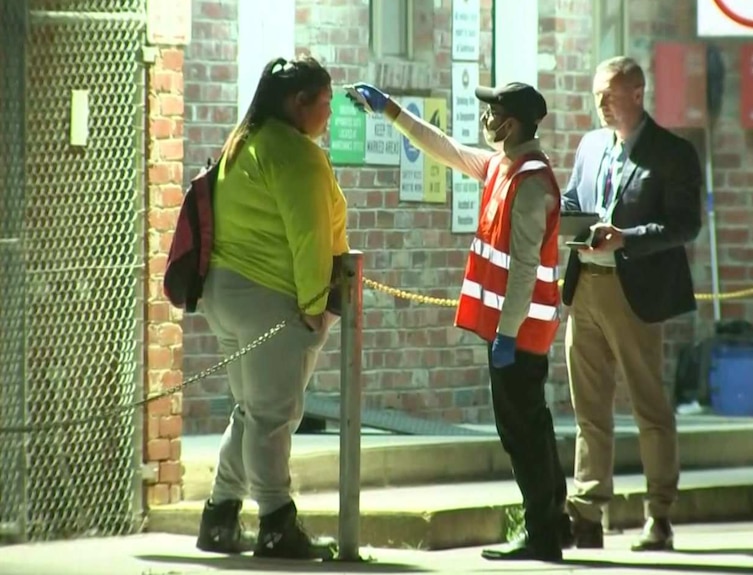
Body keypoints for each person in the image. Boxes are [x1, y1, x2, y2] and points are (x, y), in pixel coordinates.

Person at [347, 81, 571, 562]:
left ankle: (542, 533)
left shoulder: (529, 181)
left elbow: (525, 269)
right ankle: (555, 522)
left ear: (509, 124)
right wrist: (391, 111)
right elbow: (444, 149)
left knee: (521, 433)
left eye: (492, 113)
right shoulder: (503, 167)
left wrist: (507, 335)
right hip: (516, 331)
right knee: (533, 425)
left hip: (520, 333)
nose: (485, 120)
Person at [194, 55, 348, 560]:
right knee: (274, 415)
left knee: (251, 411)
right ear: (297, 102)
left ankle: (220, 516)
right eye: (324, 103)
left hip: (227, 293)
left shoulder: (245, 140)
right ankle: (277, 522)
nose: (329, 113)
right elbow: (310, 237)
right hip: (272, 298)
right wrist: (313, 307)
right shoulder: (295, 154)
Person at [560, 55, 703, 552]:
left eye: (609, 94)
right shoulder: (591, 145)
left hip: (635, 291)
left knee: (649, 405)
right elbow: (575, 201)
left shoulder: (672, 153)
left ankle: (659, 514)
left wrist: (626, 238)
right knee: (588, 408)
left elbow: (686, 225)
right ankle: (587, 513)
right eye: (596, 93)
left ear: (637, 94)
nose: (599, 103)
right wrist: (565, 222)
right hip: (586, 288)